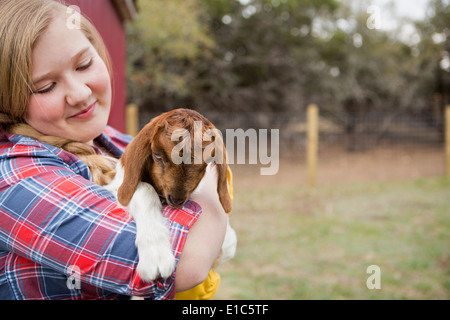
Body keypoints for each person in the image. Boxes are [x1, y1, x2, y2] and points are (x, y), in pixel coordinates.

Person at [0, 0, 228, 300]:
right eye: (45, 87)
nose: (81, 94)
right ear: (10, 100)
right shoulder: (15, 178)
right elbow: (184, 263)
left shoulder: (113, 141)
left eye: (84, 65)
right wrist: (211, 184)